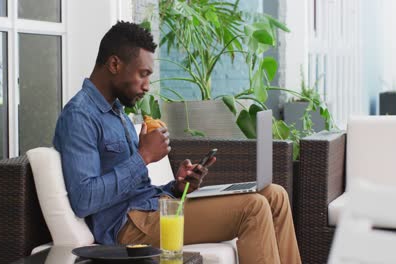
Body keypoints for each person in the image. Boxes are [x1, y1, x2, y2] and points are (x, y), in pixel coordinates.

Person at [53, 21, 301, 264]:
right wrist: (144, 157)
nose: (147, 86)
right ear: (115, 64)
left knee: (274, 195)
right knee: (254, 207)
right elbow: (84, 200)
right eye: (143, 74)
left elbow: (137, 188)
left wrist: (176, 187)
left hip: (153, 207)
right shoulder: (80, 116)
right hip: (128, 227)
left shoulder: (116, 111)